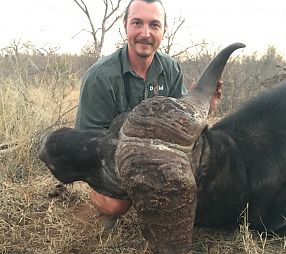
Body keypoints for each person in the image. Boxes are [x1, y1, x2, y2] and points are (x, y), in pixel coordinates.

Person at [74, 0, 222, 220]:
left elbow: (180, 128)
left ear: (164, 30)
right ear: (125, 26)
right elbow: (89, 143)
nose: (145, 33)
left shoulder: (170, 68)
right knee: (115, 204)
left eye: (154, 25)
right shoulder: (100, 77)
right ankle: (103, 204)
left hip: (160, 157)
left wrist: (204, 107)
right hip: (115, 160)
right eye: (137, 23)